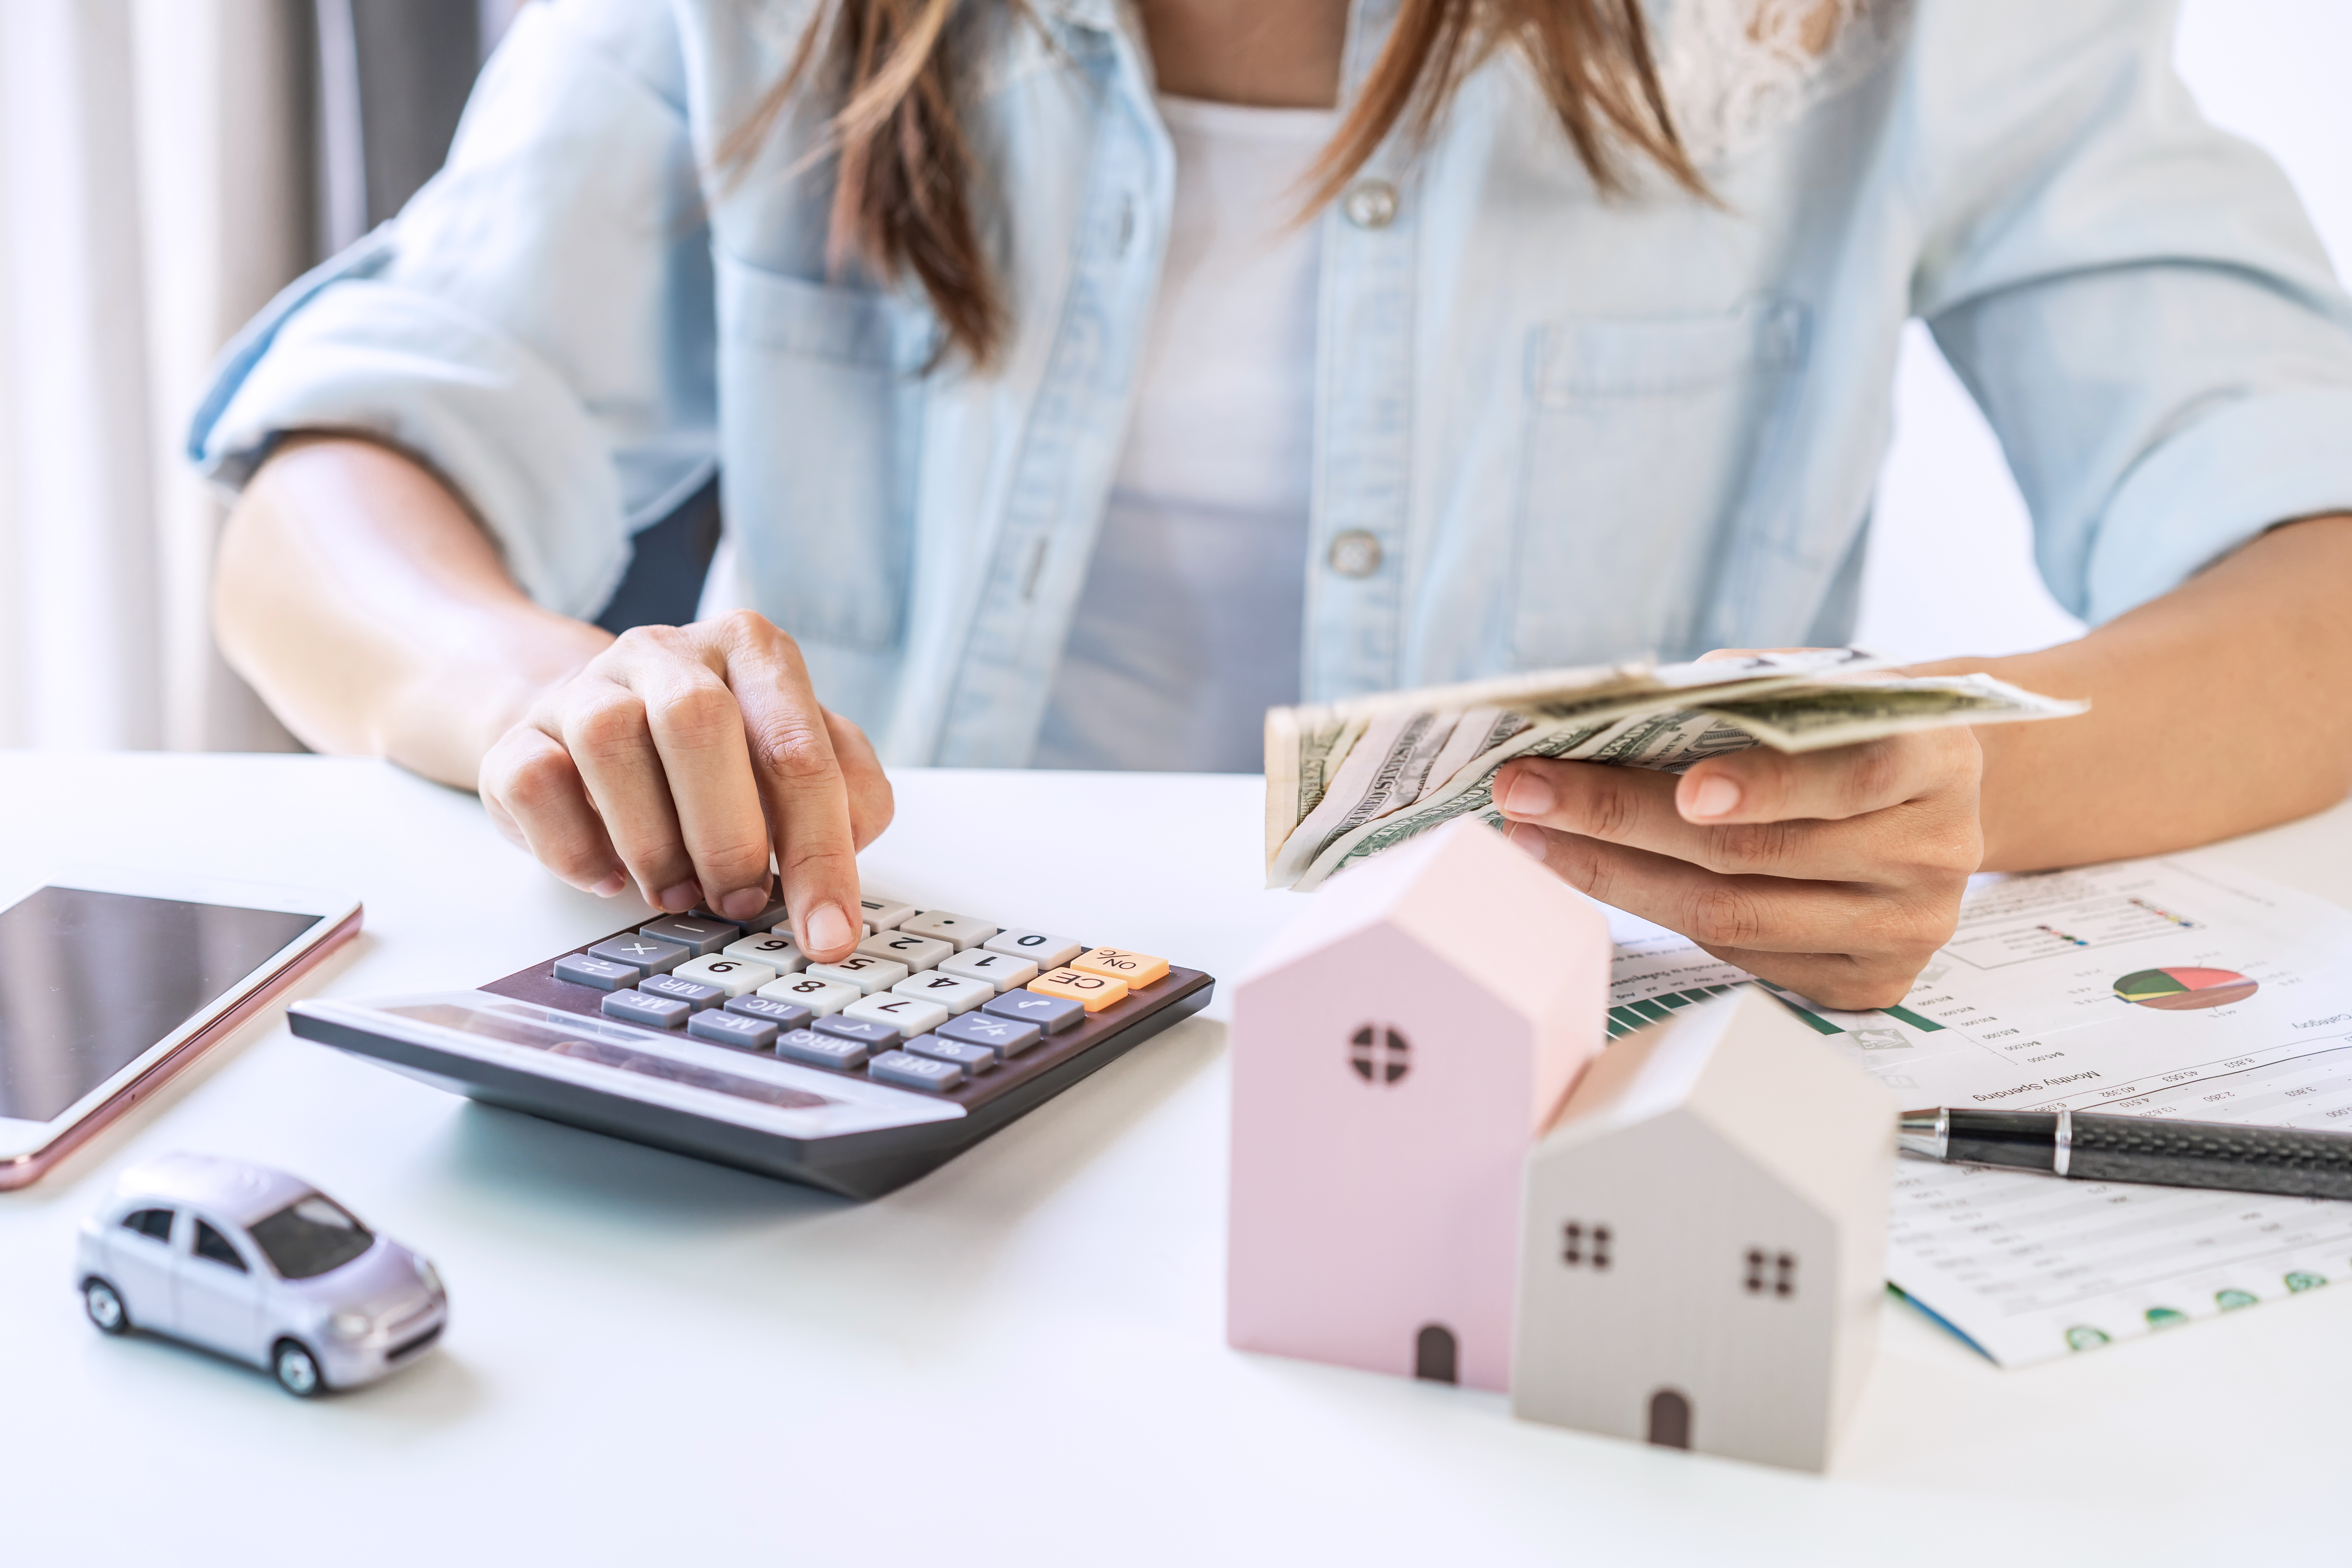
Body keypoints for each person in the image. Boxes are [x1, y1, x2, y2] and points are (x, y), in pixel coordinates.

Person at [198, 0, 2352, 1007]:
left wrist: (1934, 781)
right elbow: (339, 485)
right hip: (883, 1087)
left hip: (1538, 1124)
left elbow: (2316, 577)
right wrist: (534, 691)